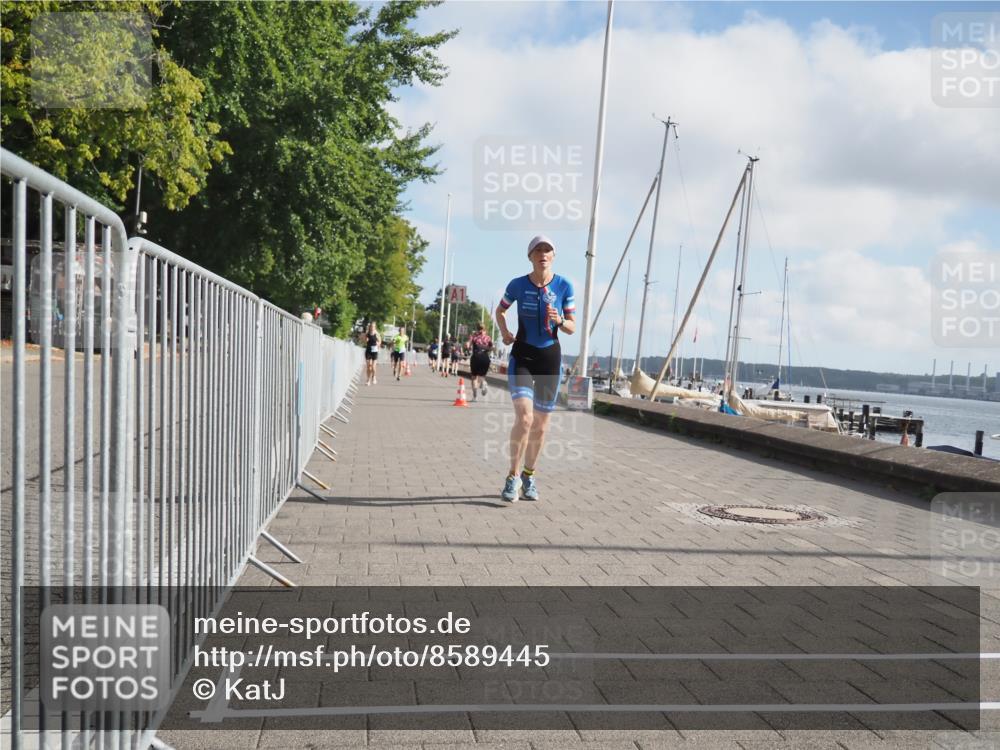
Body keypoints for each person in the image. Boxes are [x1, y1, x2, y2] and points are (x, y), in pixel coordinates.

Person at [495, 234, 575, 502]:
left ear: (553, 256)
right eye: (538, 250)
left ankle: (529, 475)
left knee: (540, 425)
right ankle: (512, 477)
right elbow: (500, 311)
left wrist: (561, 320)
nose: (543, 254)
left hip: (550, 359)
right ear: (530, 256)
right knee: (525, 417)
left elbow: (572, 328)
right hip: (523, 356)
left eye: (548, 250)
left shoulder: (564, 286)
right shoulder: (518, 285)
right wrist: (505, 332)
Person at [467, 323, 493, 400]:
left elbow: (468, 345)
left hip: (476, 357)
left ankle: (475, 397)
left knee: (474, 377)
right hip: (485, 358)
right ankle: (483, 383)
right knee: (482, 376)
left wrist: (468, 346)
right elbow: (491, 347)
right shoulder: (488, 338)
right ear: (484, 329)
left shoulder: (473, 337)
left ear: (477, 328)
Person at [363, 321, 381, 386]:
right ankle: (368, 380)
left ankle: (374, 377)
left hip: (375, 351)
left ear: (375, 327)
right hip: (368, 351)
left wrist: (378, 344)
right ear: (369, 327)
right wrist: (365, 340)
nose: (372, 327)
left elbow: (380, 342)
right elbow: (364, 341)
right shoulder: (367, 333)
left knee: (373, 367)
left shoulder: (377, 334)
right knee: (368, 366)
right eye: (371, 326)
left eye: (373, 326)